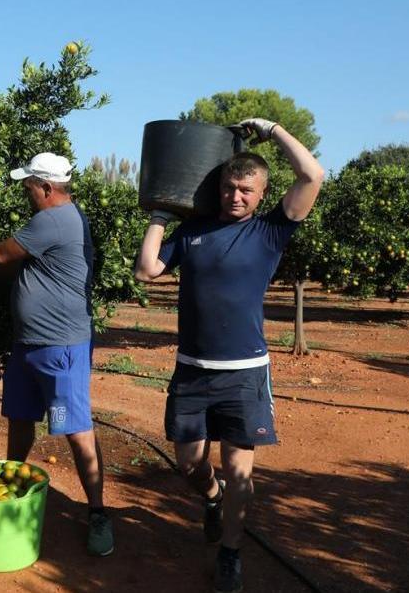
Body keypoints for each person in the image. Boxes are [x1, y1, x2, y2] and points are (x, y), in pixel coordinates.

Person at [134, 118, 323, 593]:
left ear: (261, 194)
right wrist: (159, 216)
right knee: (190, 464)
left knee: (241, 473)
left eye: (245, 189)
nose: (235, 196)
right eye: (228, 187)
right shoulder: (193, 230)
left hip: (243, 374)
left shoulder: (271, 232)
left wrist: (273, 129)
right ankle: (211, 499)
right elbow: (147, 270)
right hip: (192, 372)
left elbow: (312, 176)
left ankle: (231, 555)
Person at [0, 151, 114, 557]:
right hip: (30, 346)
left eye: (29, 187)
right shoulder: (62, 217)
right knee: (20, 418)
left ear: (46, 188)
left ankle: (97, 513)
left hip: (60, 350)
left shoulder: (53, 219)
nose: (26, 193)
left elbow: (0, 255)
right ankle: (10, 479)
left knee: (75, 429)